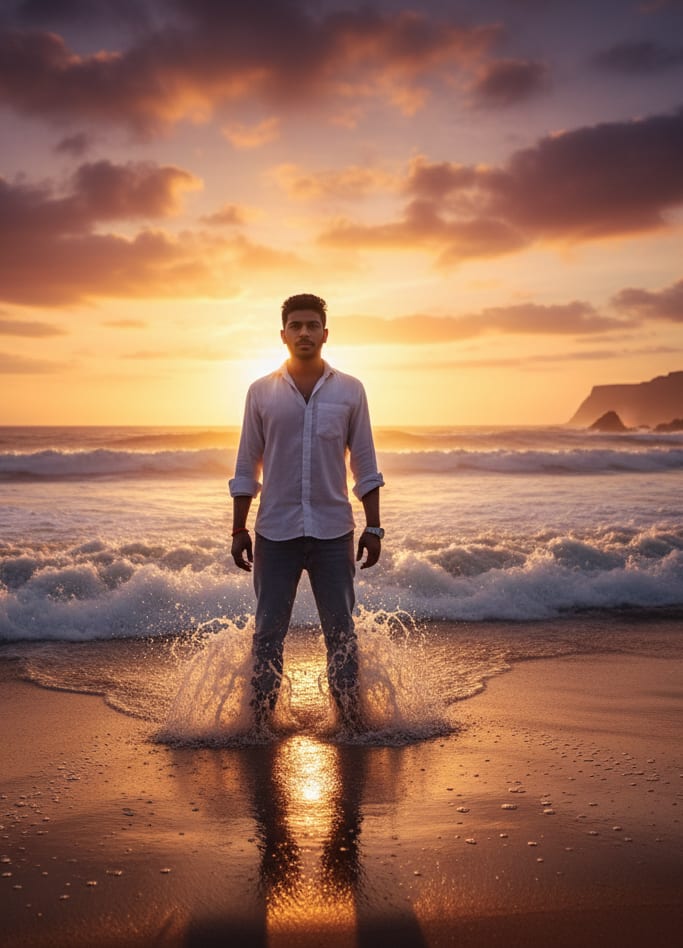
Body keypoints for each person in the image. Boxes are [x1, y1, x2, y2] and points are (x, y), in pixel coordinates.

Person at [229, 293, 384, 731]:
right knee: (267, 637)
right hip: (274, 533)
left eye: (311, 325)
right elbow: (247, 463)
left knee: (341, 637)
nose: (303, 333)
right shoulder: (260, 392)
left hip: (334, 533)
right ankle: (257, 731)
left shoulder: (351, 390)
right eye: (295, 326)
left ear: (325, 333)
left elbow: (366, 463)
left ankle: (352, 728)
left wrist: (374, 526)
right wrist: (238, 528)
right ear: (282, 335)